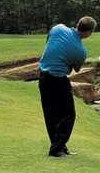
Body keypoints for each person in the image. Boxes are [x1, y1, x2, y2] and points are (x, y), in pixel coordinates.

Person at [38, 16, 96, 157]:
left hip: (43, 76)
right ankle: (57, 149)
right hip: (58, 80)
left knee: (51, 114)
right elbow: (76, 68)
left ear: (77, 24)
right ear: (88, 33)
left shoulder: (58, 28)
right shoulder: (80, 51)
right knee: (68, 114)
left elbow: (49, 42)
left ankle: (59, 147)